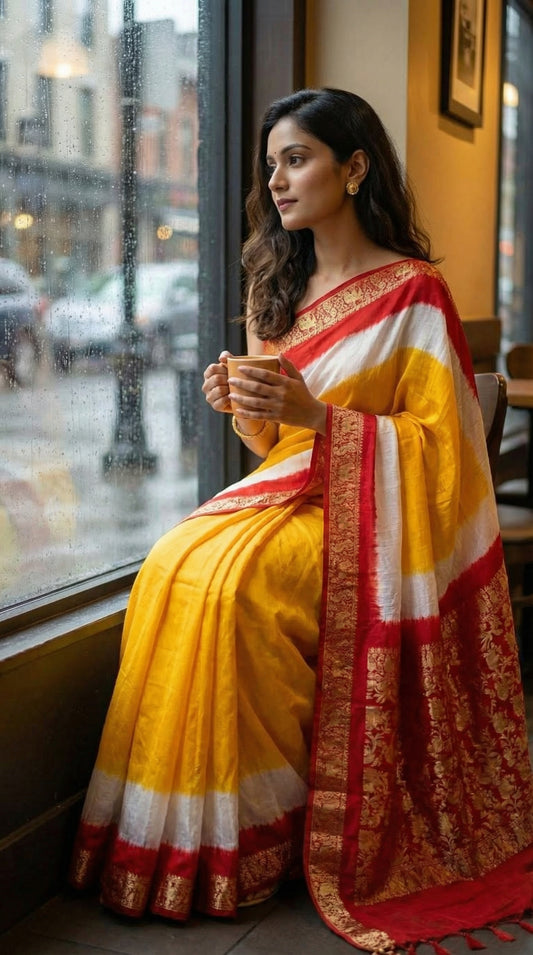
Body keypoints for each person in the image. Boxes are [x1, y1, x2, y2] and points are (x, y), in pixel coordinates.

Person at [70, 88, 533, 952]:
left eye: (297, 159)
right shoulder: (274, 281)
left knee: (237, 587)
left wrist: (321, 418)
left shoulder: (413, 292)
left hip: (379, 523)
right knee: (175, 563)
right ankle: (184, 837)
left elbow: (444, 455)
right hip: (292, 492)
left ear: (353, 168)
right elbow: (270, 443)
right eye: (271, 163)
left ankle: (270, 834)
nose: (277, 180)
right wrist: (243, 405)